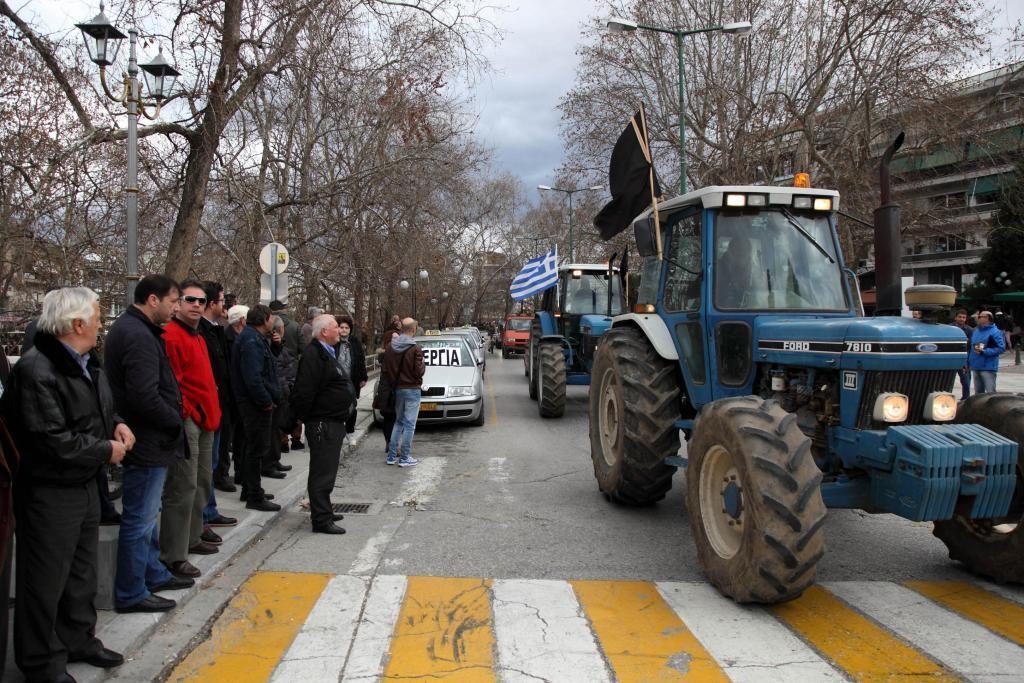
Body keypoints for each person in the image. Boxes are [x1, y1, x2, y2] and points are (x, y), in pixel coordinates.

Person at [1, 288, 129, 681]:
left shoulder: (87, 363)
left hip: (83, 484)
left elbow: (97, 409)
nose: (100, 323)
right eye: (96, 315)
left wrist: (117, 424)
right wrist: (105, 450)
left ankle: (78, 639)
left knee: (80, 573)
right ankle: (41, 662)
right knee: (44, 580)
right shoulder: (37, 369)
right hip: (49, 491)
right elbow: (50, 440)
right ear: (76, 324)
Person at [105, 274, 191, 614]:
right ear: (153, 300)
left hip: (149, 437)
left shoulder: (136, 329)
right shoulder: (138, 335)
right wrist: (173, 419)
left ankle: (153, 572)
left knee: (147, 513)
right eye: (173, 301)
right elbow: (143, 395)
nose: (176, 308)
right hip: (147, 440)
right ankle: (131, 591)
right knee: (140, 518)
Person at [160, 280, 223, 574]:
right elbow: (172, 382)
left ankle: (194, 535)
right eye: (190, 300)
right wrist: (190, 411)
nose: (196, 305)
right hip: (190, 419)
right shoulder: (171, 336)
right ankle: (173, 553)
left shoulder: (196, 335)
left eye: (201, 301)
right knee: (183, 485)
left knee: (201, 480)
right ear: (178, 304)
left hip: (206, 417)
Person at [291, 314, 351, 534]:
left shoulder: (326, 351)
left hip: (332, 420)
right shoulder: (313, 355)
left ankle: (323, 508)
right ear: (324, 332)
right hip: (322, 423)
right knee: (322, 472)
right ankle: (321, 519)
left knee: (328, 470)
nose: (340, 331)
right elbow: (305, 391)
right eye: (336, 327)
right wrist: (310, 419)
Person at [230, 304, 282, 511]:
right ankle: (254, 495)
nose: (273, 323)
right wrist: (266, 401)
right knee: (256, 450)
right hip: (254, 405)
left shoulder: (254, 338)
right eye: (271, 318)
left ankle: (250, 489)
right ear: (265, 319)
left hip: (253, 403)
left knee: (252, 448)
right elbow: (253, 378)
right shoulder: (252, 340)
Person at [198, 282, 238, 539]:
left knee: (211, 462)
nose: (225, 305)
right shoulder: (201, 332)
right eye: (222, 300)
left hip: (218, 406)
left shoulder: (216, 331)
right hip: (206, 409)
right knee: (204, 467)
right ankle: (202, 517)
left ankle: (209, 511)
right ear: (212, 303)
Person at [384, 318, 425, 467]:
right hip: (412, 388)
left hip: (397, 389)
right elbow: (419, 371)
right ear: (413, 330)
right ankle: (405, 457)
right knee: (410, 424)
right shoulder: (415, 348)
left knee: (399, 421)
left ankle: (391, 456)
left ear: (401, 329)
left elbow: (386, 369)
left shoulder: (390, 347)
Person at [217, 305, 248, 490]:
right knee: (226, 437)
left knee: (239, 437)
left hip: (237, 395)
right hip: (229, 395)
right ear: (242, 320)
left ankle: (239, 472)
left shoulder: (239, 338)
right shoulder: (227, 338)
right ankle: (222, 474)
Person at [269, 300, 305, 451]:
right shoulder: (296, 326)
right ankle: (296, 439)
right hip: (293, 368)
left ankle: (282, 441)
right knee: (294, 405)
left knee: (279, 407)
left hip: (275, 369)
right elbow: (303, 348)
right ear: (284, 309)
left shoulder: (269, 325)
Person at [266, 315, 295, 477]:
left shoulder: (280, 347)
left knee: (277, 430)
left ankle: (274, 459)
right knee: (272, 430)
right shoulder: (270, 346)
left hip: (282, 391)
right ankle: (269, 462)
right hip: (276, 393)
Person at [337, 314, 368, 435]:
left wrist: (363, 377)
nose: (344, 330)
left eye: (346, 328)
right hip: (337, 381)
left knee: (351, 406)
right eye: (341, 327)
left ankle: (350, 431)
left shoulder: (354, 342)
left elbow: (361, 360)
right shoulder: (334, 341)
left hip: (352, 379)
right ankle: (339, 430)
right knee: (338, 406)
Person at [376, 315, 402, 453]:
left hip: (398, 390)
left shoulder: (402, 355)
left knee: (398, 418)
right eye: (394, 339)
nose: (397, 341)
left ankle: (394, 442)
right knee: (389, 418)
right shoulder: (385, 356)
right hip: (388, 390)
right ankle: (390, 442)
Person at [969, 310, 1006, 394]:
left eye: (980, 317)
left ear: (987, 319)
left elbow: (1001, 348)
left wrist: (984, 351)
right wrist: (968, 362)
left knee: (990, 393)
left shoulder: (995, 332)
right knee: (978, 394)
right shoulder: (976, 331)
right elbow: (971, 348)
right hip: (976, 366)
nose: (977, 318)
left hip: (988, 367)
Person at [952, 308, 974, 399]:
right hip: (951, 357)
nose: (961, 319)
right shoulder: (950, 328)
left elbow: (972, 344)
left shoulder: (969, 330)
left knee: (966, 380)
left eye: (964, 317)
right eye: (960, 317)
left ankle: (966, 397)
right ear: (955, 317)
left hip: (964, 358)